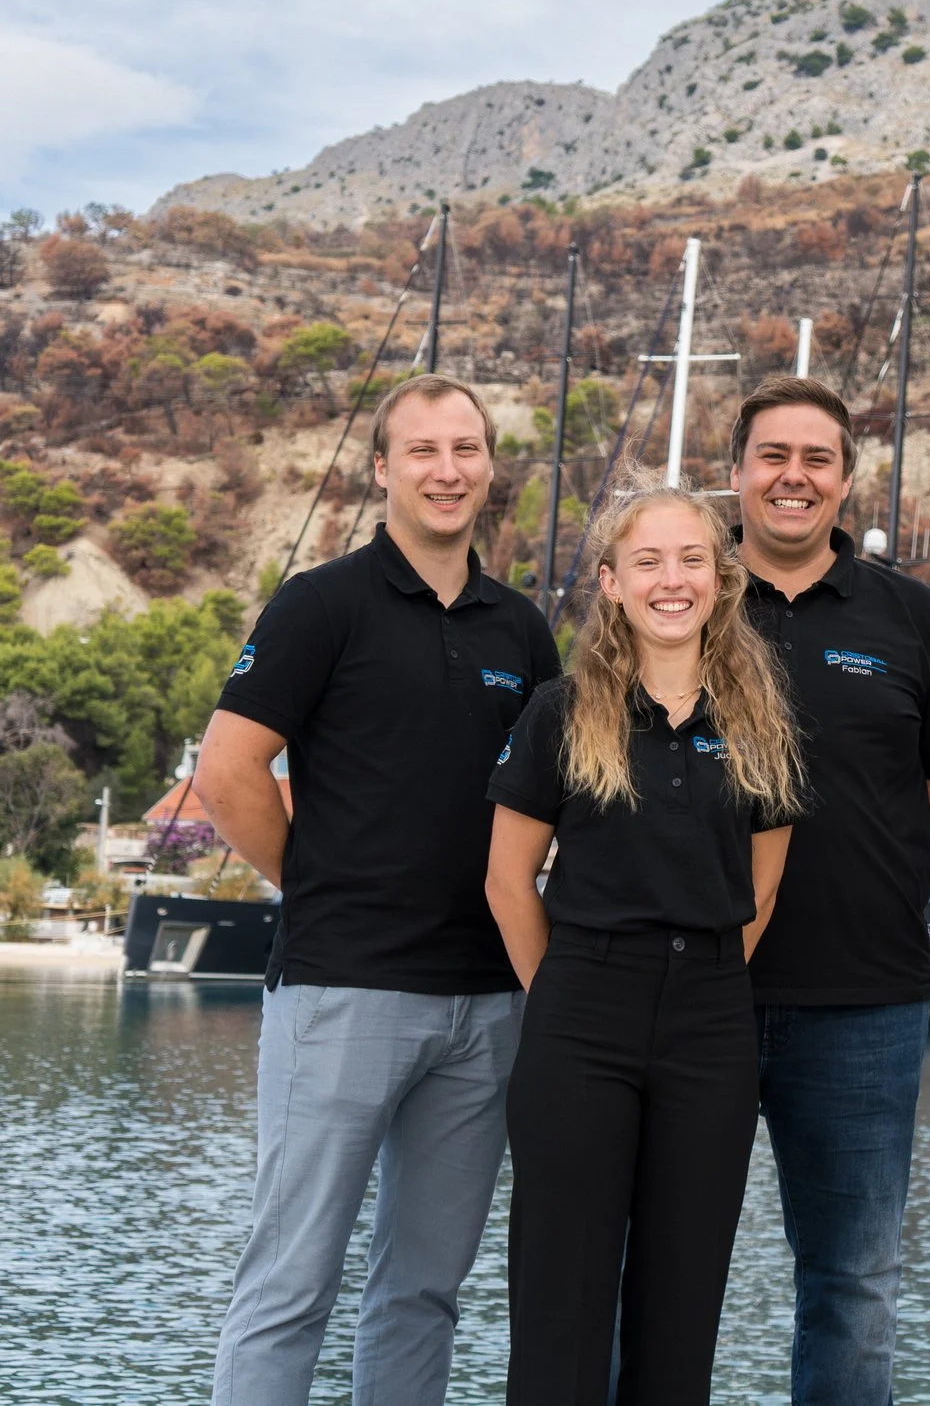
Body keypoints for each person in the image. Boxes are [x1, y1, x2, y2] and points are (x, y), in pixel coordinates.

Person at [199, 374, 560, 1406]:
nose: (447, 470)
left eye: (466, 449)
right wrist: (319, 885)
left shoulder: (521, 633)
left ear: (490, 465)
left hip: (486, 1002)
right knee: (289, 1282)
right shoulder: (322, 603)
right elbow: (230, 771)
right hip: (342, 989)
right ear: (383, 468)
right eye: (423, 450)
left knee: (424, 1291)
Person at [484, 479, 805, 1405]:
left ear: (722, 578)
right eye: (649, 560)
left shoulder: (759, 721)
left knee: (681, 1303)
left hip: (710, 1020)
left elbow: (765, 884)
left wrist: (695, 985)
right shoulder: (559, 711)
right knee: (562, 1299)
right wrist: (569, 995)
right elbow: (508, 884)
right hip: (580, 1012)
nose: (674, 579)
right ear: (613, 583)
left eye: (693, 558)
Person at [727, 376, 930, 1406]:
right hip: (696, 990)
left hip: (865, 1000)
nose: (794, 476)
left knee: (854, 1283)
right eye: (772, 454)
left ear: (844, 478)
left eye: (816, 457)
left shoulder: (911, 616)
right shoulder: (680, 595)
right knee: (651, 1266)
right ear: (736, 471)